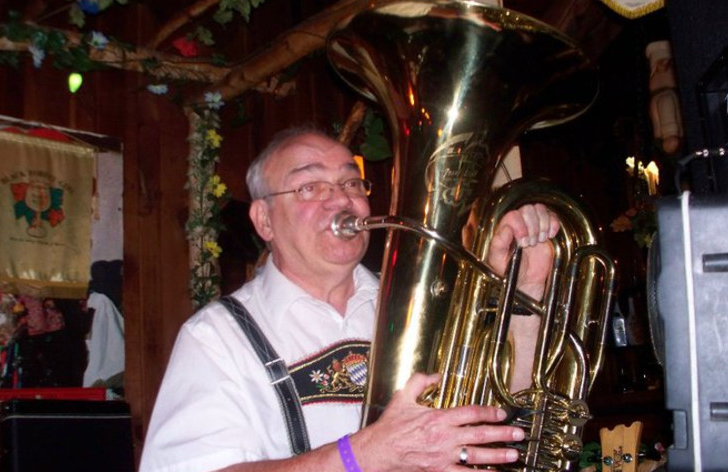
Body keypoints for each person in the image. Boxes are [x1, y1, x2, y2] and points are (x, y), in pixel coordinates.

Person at [139, 127, 560, 472]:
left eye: (350, 181)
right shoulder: (215, 337)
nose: (341, 199)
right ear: (264, 219)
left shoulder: (419, 307)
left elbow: (497, 422)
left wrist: (527, 291)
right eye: (308, 186)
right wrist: (362, 456)